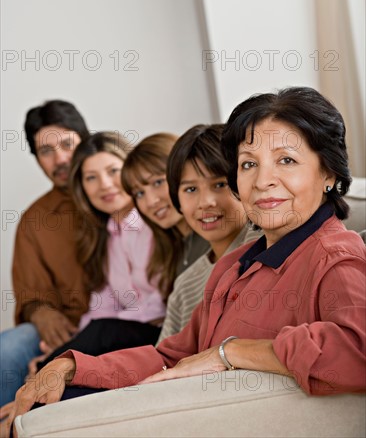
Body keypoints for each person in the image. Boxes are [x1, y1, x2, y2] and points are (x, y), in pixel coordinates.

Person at [7, 87, 366, 434]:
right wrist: (72, 366)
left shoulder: (335, 257)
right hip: (187, 411)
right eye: (248, 164)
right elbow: (171, 355)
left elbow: (356, 353)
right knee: (44, 401)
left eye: (286, 160)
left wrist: (232, 352)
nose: (263, 180)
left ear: (328, 174)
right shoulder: (234, 265)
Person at [35, 132, 166, 370]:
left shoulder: (157, 221)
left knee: (101, 332)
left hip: (164, 331)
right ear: (82, 187)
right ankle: (42, 374)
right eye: (91, 178)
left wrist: (98, 332)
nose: (104, 185)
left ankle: (44, 374)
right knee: (65, 354)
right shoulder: (106, 235)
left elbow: (159, 304)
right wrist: (68, 346)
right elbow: (104, 302)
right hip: (128, 335)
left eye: (113, 171)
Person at [0, 100, 89, 408]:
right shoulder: (34, 219)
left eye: (67, 144)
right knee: (8, 347)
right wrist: (41, 312)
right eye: (46, 151)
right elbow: (29, 295)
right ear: (37, 159)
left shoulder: (116, 194)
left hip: (123, 321)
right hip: (62, 330)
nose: (60, 158)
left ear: (85, 140)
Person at [158, 124, 260, 343]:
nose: (206, 203)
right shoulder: (185, 285)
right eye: (191, 189)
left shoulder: (268, 243)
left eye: (220, 184)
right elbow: (162, 358)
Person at [121, 133, 209, 302]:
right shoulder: (172, 249)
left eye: (158, 183)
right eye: (139, 193)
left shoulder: (213, 237)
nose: (151, 201)